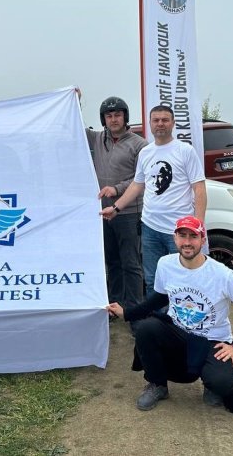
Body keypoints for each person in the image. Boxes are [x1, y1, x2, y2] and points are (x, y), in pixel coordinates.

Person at [107, 216, 233, 414]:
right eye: (182, 235)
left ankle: (211, 384)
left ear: (203, 239)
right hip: (178, 333)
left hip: (212, 341)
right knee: (146, 328)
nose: (187, 242)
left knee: (223, 383)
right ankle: (158, 384)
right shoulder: (166, 264)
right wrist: (127, 313)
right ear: (175, 238)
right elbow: (159, 299)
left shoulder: (223, 275)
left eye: (193, 236)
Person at [100, 104, 206, 297]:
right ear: (149, 124)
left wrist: (198, 226)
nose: (160, 124)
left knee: (182, 279)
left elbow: (199, 188)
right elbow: (137, 185)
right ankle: (156, 322)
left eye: (165, 120)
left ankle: (179, 324)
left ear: (173, 123)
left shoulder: (185, 151)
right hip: (150, 228)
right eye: (156, 120)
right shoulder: (146, 153)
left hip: (179, 230)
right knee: (152, 280)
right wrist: (116, 208)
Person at [85, 96, 148, 309]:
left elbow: (142, 178)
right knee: (111, 262)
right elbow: (75, 128)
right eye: (109, 116)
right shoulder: (98, 139)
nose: (113, 119)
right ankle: (115, 305)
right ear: (104, 119)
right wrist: (76, 102)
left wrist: (117, 189)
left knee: (131, 264)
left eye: (117, 115)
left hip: (128, 213)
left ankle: (133, 310)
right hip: (103, 212)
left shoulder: (139, 145)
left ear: (125, 117)